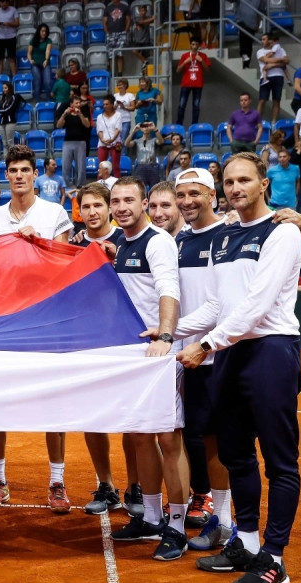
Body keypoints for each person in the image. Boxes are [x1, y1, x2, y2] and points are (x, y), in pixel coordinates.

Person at [175, 153, 301, 583]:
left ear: (263, 184)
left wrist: (206, 344)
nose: (235, 188)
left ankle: (275, 558)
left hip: (269, 351)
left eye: (244, 180)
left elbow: (257, 304)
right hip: (230, 352)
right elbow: (215, 305)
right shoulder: (226, 236)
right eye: (229, 181)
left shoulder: (283, 233)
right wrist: (168, 329)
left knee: (279, 461)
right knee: (236, 454)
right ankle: (246, 542)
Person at [0, 146, 74, 513]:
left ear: (36, 174)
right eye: (12, 170)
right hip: (2, 321)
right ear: (6, 176)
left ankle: (57, 481)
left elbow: (65, 267)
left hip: (46, 320)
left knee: (53, 403)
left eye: (24, 170)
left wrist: (42, 243)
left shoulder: (54, 213)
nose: (18, 176)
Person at [106, 177, 189, 563]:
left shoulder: (158, 241)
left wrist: (167, 337)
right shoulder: (121, 243)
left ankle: (177, 525)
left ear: (143, 204)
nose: (122, 207)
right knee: (140, 437)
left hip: (158, 354)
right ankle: (152, 517)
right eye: (116, 201)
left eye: (129, 200)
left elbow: (167, 289)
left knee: (169, 440)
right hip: (131, 358)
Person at [168, 169, 235, 549]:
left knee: (224, 443)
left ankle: (227, 522)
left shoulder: (227, 234)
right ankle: (220, 519)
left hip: (216, 353)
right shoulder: (179, 242)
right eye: (181, 194)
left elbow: (216, 305)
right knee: (205, 438)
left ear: (212, 195)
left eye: (195, 193)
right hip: (189, 356)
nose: (187, 201)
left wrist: (170, 331)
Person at [70, 181, 129, 515]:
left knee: (135, 424)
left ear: (109, 208)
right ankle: (106, 485)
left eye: (98, 206)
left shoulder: (126, 239)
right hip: (88, 342)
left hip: (127, 339)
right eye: (86, 207)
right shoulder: (75, 244)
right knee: (93, 418)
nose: (92, 213)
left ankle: (136, 488)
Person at [58, 95, 91, 189]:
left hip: (81, 142)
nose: (78, 104)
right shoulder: (67, 114)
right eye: (76, 103)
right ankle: (67, 185)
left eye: (79, 103)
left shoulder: (84, 112)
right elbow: (59, 125)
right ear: (71, 104)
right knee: (65, 165)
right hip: (68, 142)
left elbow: (87, 125)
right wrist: (64, 114)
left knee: (81, 167)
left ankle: (80, 185)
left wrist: (80, 114)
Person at [256, 32, 289, 124]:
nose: (262, 41)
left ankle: (274, 122)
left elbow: (287, 60)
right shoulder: (260, 51)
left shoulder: (281, 49)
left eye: (264, 39)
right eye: (261, 39)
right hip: (266, 77)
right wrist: (280, 61)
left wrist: (271, 65)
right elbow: (266, 60)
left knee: (277, 100)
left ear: (270, 40)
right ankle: (258, 122)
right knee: (262, 100)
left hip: (279, 76)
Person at [176, 38, 211, 126]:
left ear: (199, 45)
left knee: (196, 106)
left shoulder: (203, 55)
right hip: (186, 83)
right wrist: (185, 62)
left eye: (196, 44)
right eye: (193, 44)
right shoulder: (185, 55)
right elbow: (178, 70)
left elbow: (208, 70)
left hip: (198, 84)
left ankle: (194, 125)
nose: (194, 46)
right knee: (181, 105)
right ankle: (179, 125)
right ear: (190, 45)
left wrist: (201, 61)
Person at [127, 121, 163, 189]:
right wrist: (134, 131)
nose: (146, 128)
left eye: (148, 126)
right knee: (140, 188)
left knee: (155, 188)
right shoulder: (137, 141)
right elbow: (127, 144)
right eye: (143, 126)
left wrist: (155, 129)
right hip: (141, 165)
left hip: (152, 165)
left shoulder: (154, 140)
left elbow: (161, 141)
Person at [97, 96, 123, 178]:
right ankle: (100, 185)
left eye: (107, 104)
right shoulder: (99, 117)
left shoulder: (118, 115)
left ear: (112, 104)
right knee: (101, 165)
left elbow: (118, 129)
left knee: (115, 166)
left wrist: (112, 139)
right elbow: (99, 131)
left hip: (115, 143)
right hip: (102, 143)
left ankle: (117, 185)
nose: (105, 106)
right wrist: (103, 140)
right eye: (104, 104)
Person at [0, 0, 19, 76]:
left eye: (4, 2)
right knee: (0, 60)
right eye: (1, 2)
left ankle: (14, 78)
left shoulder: (13, 10)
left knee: (12, 59)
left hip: (11, 38)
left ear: (7, 2)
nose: (2, 4)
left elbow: (17, 23)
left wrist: (9, 24)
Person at [103, 0, 130, 77]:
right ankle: (112, 73)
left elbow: (128, 20)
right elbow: (104, 21)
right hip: (111, 33)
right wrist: (107, 33)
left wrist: (125, 30)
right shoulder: (107, 8)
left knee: (120, 54)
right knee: (111, 55)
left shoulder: (125, 7)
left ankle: (120, 73)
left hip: (121, 33)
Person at [27, 24, 53, 101]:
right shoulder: (33, 41)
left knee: (47, 82)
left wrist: (46, 59)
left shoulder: (48, 41)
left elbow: (47, 51)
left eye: (45, 31)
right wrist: (30, 60)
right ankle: (37, 100)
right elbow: (29, 53)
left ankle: (49, 99)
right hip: (35, 64)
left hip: (45, 63)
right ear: (39, 31)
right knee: (37, 81)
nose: (44, 33)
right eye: (42, 31)